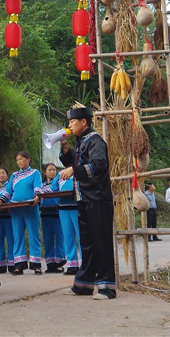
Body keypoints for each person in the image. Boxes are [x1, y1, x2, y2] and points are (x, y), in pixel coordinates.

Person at [60, 106, 116, 300]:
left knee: (101, 243)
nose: (69, 126)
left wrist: (74, 170)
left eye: (72, 123)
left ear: (83, 122)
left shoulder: (96, 142)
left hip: (98, 199)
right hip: (84, 198)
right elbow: (75, 163)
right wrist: (66, 153)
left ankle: (107, 287)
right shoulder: (80, 143)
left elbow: (98, 165)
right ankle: (84, 284)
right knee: (87, 243)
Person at [0, 152, 42, 275]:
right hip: (15, 208)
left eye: (22, 159)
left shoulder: (35, 173)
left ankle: (36, 265)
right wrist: (0, 201)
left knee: (33, 235)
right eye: (17, 160)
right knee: (17, 235)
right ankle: (19, 265)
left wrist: (37, 197)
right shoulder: (14, 176)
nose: (20, 162)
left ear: (28, 159)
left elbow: (38, 187)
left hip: (30, 207)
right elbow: (8, 190)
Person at [51, 158, 81, 274]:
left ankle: (85, 264)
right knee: (68, 237)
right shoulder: (60, 174)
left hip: (76, 207)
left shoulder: (78, 172)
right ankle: (72, 265)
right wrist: (41, 192)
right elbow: (52, 188)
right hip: (63, 208)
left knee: (81, 236)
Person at [40, 163, 66, 273]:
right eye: (50, 169)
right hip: (45, 213)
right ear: (45, 172)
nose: (52, 172)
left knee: (60, 238)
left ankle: (60, 262)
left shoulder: (59, 183)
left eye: (54, 170)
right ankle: (50, 263)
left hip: (57, 213)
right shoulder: (41, 185)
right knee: (48, 239)